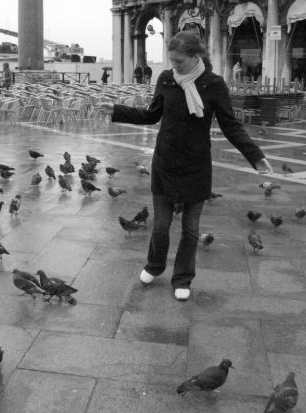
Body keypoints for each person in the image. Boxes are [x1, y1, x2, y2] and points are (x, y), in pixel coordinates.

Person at [97, 32, 272, 302]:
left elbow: (230, 125)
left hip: (196, 166)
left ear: (195, 56)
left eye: (179, 61)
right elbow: (151, 115)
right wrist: (118, 110)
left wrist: (255, 156)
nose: (174, 65)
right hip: (165, 162)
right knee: (160, 226)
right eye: (172, 60)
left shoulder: (213, 84)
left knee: (190, 229)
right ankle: (155, 266)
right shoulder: (166, 79)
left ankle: (182, 278)